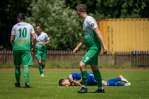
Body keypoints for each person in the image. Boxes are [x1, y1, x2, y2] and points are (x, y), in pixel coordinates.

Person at [73, 4, 107, 93]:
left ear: (79, 12)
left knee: (82, 65)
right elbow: (86, 37)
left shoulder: (89, 19)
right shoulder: (84, 21)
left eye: (77, 12)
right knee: (94, 67)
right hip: (90, 47)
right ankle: (100, 88)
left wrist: (104, 45)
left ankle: (84, 87)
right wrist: (77, 47)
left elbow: (98, 31)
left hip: (94, 47)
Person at [10, 13, 36, 88]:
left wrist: (14, 46)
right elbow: (34, 38)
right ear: (24, 18)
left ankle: (18, 83)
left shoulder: (15, 26)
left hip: (17, 48)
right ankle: (26, 83)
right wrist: (33, 47)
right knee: (26, 66)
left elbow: (11, 39)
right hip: (26, 48)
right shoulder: (29, 26)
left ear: (18, 18)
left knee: (17, 66)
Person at [59, 72, 131, 86]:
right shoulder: (71, 83)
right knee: (105, 82)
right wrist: (76, 83)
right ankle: (119, 78)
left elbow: (84, 75)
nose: (66, 85)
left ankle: (124, 85)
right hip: (91, 82)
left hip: (90, 76)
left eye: (65, 84)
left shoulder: (72, 76)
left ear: (65, 80)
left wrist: (78, 82)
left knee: (105, 84)